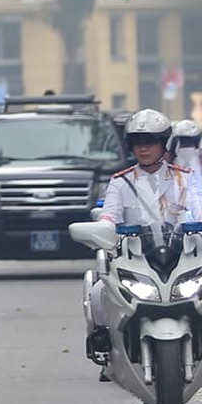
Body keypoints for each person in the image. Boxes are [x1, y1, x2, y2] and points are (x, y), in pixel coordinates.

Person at [86, 109, 202, 367]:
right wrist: (102, 230)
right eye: (138, 142)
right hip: (135, 257)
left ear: (164, 144)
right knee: (98, 292)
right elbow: (109, 217)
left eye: (150, 142)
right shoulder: (120, 182)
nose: (143, 148)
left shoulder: (184, 178)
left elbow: (198, 210)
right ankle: (106, 350)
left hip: (182, 255)